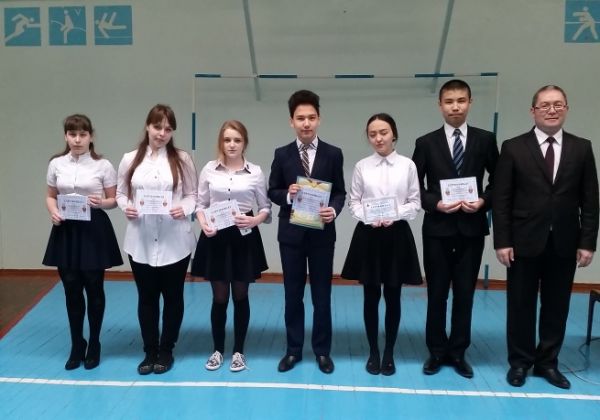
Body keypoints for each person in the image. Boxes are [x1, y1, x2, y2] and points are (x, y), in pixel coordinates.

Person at [493, 85, 599, 389]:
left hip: (565, 241)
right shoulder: (513, 148)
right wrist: (502, 240)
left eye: (558, 104)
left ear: (566, 109)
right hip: (523, 241)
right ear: (533, 111)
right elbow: (502, 199)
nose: (552, 110)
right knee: (520, 305)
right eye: (545, 105)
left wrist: (587, 243)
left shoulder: (581, 148)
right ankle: (520, 363)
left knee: (557, 306)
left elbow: (590, 200)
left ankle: (547, 363)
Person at [412, 79, 499, 378]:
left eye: (461, 100)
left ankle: (459, 352)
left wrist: (484, 201)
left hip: (472, 229)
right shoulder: (425, 142)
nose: (455, 107)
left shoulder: (485, 140)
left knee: (465, 294)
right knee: (437, 294)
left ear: (470, 103)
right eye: (449, 101)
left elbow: (499, 179)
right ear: (440, 105)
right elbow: (414, 186)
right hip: (437, 229)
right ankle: (436, 351)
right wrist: (435, 203)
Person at [268, 89, 346, 374]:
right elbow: (272, 190)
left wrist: (334, 210)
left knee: (322, 295)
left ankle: (322, 351)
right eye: (300, 118)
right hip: (291, 235)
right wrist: (287, 195)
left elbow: (340, 192)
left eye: (311, 117)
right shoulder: (282, 154)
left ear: (319, 119)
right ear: (291, 121)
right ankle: (293, 350)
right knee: (293, 294)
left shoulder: (333, 154)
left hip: (322, 234)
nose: (306, 123)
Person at [116, 104, 198, 375]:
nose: (162, 133)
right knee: (147, 297)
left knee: (173, 297)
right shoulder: (130, 159)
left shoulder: (182, 159)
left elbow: (193, 195)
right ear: (147, 126)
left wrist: (184, 208)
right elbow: (120, 193)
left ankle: (166, 350)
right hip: (140, 240)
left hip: (175, 241)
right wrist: (126, 206)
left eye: (168, 129)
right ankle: (149, 351)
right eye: (157, 127)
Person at [341, 113, 422, 376]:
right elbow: (354, 202)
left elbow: (415, 203)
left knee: (393, 296)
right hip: (369, 235)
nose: (378, 138)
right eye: (373, 134)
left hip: (397, 234)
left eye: (383, 132)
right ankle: (373, 351)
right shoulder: (362, 166)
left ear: (393, 134)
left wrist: (394, 214)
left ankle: (389, 352)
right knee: (370, 295)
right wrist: (368, 217)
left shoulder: (408, 165)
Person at [43, 114, 123, 370]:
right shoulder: (56, 164)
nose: (77, 139)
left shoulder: (103, 165)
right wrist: (53, 212)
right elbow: (50, 196)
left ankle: (95, 343)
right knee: (71, 288)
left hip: (93, 229)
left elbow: (115, 200)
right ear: (65, 136)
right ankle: (77, 343)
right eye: (72, 134)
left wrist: (102, 202)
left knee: (94, 287)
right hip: (66, 230)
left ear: (91, 136)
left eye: (82, 134)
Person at [192, 120, 271, 372]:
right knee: (219, 297)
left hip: (244, 237)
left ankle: (238, 351)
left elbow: (265, 207)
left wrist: (254, 220)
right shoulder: (209, 169)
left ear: (244, 142)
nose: (232, 144)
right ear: (221, 142)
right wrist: (203, 223)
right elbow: (200, 204)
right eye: (227, 140)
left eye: (237, 140)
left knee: (240, 295)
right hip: (215, 236)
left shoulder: (255, 172)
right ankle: (217, 350)